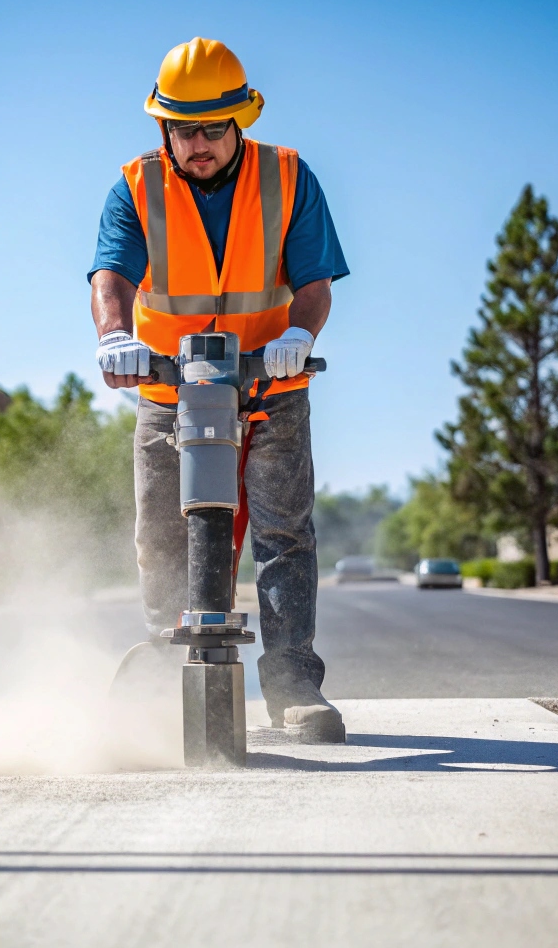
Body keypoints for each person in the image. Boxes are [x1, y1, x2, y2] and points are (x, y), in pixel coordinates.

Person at [87, 37, 350, 742]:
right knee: (159, 540)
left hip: (271, 383)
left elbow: (316, 283)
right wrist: (115, 335)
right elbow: (111, 275)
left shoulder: (290, 178)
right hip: (170, 390)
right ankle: (163, 676)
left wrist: (300, 335)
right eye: (183, 129)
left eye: (212, 128)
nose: (197, 144)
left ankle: (293, 682)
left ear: (241, 121)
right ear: (163, 127)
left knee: (284, 535)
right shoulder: (136, 186)